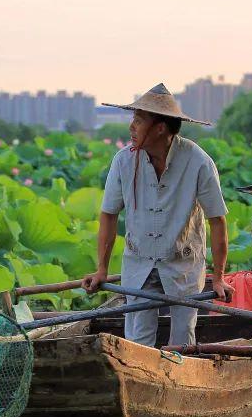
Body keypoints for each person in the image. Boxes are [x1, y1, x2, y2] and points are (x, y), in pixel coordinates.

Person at [82, 84, 232, 347]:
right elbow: (108, 215)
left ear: (160, 128)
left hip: (182, 263)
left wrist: (218, 278)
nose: (131, 127)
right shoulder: (123, 161)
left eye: (138, 121)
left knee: (182, 340)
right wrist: (102, 269)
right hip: (138, 261)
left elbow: (217, 220)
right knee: (137, 342)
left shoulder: (198, 162)